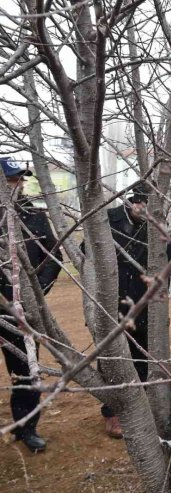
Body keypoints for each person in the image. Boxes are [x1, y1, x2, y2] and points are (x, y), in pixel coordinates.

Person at [98, 181, 171, 438]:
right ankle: (113, 411)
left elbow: (170, 255)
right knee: (113, 359)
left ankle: (138, 407)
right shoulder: (108, 220)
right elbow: (89, 252)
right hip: (112, 301)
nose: (143, 209)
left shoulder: (155, 226)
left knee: (142, 355)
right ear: (131, 200)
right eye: (139, 203)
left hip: (143, 303)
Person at [0, 157, 62, 452]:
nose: (18, 185)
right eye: (11, 180)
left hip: (22, 310)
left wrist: (37, 293)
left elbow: (53, 256)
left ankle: (27, 427)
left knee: (25, 370)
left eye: (19, 180)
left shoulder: (34, 216)